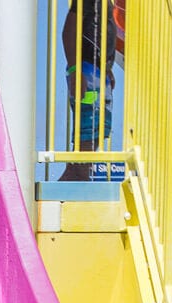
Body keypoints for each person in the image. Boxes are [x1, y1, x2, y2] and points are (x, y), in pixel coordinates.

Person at [59, 0, 116, 182]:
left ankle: (79, 170)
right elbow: (69, 30)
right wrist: (75, 69)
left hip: (99, 71)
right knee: (89, 122)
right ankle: (78, 171)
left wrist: (107, 68)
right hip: (86, 70)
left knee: (102, 125)